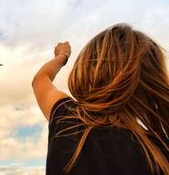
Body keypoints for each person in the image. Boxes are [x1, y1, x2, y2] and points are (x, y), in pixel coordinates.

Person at [31, 23, 169, 175]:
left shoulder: (68, 120)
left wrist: (62, 55)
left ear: (87, 70)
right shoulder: (160, 153)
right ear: (154, 79)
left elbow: (40, 79)